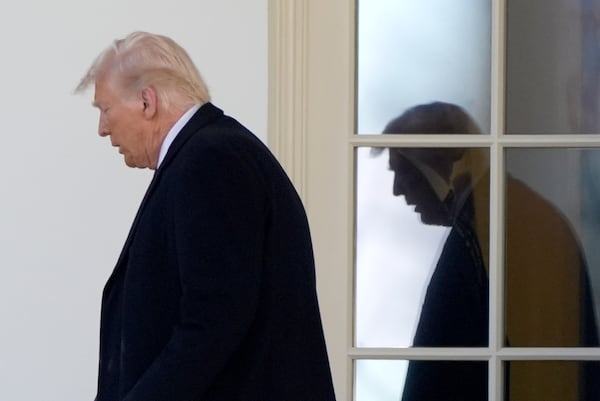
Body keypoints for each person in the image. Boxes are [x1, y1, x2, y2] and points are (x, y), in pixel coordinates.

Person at [75, 31, 336, 401]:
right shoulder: (209, 153)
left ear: (147, 101)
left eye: (105, 109)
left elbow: (214, 321)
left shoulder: (210, 160)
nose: (103, 129)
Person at [380, 102, 599, 401]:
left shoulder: (479, 233)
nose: (397, 189)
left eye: (404, 170)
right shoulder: (521, 215)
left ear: (444, 159)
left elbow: (434, 374)